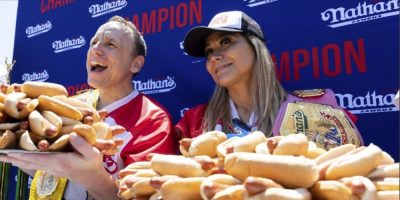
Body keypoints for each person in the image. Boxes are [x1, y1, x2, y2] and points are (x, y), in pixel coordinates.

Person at [0, 15, 178, 200]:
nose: (96, 50)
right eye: (94, 42)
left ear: (136, 63)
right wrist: (19, 153)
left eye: (111, 45)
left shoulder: (152, 119)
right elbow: (50, 176)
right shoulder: (74, 103)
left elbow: (140, 195)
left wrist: (90, 176)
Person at [175, 10, 364, 150]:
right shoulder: (194, 122)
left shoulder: (317, 113)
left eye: (226, 41)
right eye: (209, 51)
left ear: (256, 48)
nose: (214, 56)